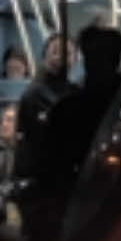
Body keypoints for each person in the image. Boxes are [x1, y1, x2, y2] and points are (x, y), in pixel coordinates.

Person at [20, 24, 121, 241]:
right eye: (93, 58)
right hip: (76, 204)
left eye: (103, 58)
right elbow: (48, 167)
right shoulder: (66, 109)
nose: (96, 65)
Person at [15, 33, 75, 161]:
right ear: (44, 57)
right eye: (55, 52)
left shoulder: (75, 92)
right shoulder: (33, 94)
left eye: (68, 53)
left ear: (75, 59)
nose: (61, 57)